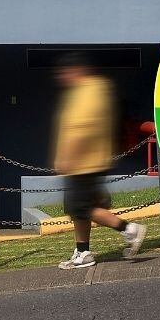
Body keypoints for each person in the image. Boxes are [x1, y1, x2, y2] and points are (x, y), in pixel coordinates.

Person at [52, 53, 147, 270]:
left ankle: (129, 229)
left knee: (82, 207)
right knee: (78, 207)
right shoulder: (89, 90)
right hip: (87, 161)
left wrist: (67, 157)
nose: (62, 78)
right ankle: (83, 251)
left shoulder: (88, 92)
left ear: (75, 71)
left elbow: (80, 127)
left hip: (83, 162)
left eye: (64, 73)